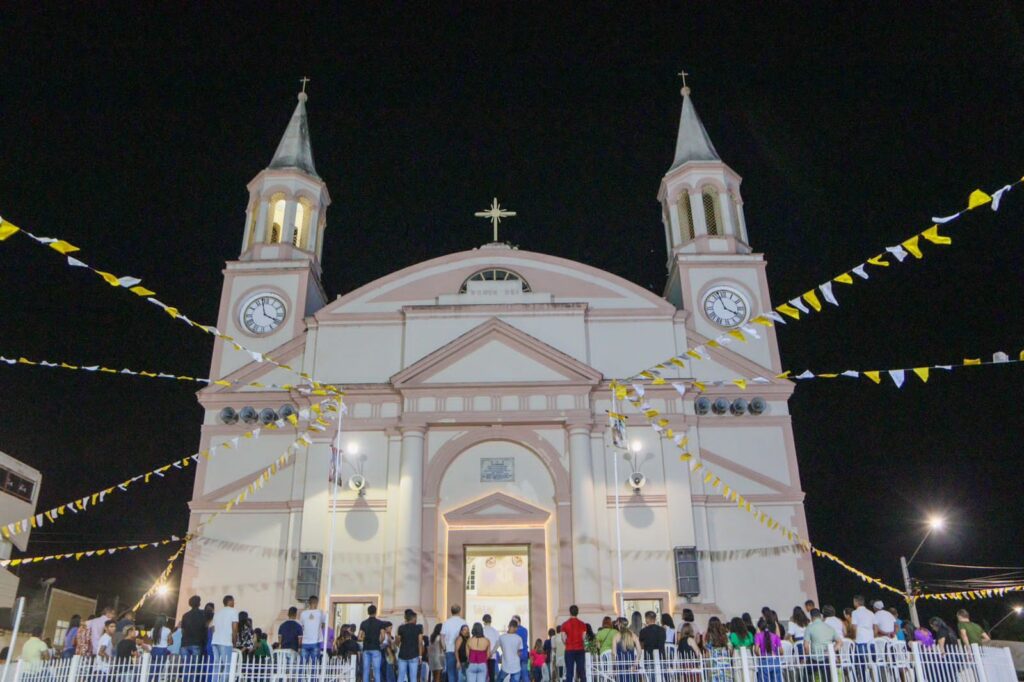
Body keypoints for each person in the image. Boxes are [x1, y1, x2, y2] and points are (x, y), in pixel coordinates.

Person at [804, 609, 840, 678]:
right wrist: (831, 651)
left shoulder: (809, 628)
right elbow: (840, 642)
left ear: (811, 617)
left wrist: (807, 656)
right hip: (828, 658)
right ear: (820, 616)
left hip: (815, 658)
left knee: (806, 674)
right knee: (828, 677)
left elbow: (806, 646)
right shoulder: (829, 627)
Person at [211, 595, 240, 677]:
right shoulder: (233, 611)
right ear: (230, 601)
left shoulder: (217, 613)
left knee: (216, 666)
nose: (234, 603)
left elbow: (213, 628)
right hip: (225, 642)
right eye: (233, 601)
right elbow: (235, 629)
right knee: (227, 666)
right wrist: (234, 642)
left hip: (215, 641)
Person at [360, 605, 388, 682]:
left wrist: (364, 639)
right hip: (376, 648)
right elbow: (383, 636)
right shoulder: (380, 623)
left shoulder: (363, 623)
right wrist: (379, 642)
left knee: (366, 670)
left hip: (366, 648)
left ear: (368, 612)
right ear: (376, 612)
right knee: (377, 670)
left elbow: (359, 637)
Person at [441, 606, 469, 682]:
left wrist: (444, 649)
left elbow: (442, 637)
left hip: (449, 650)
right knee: (461, 675)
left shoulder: (446, 622)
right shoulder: (463, 622)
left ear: (451, 611)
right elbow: (467, 637)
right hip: (461, 652)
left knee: (451, 674)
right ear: (459, 611)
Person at [396, 611, 425, 682]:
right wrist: (420, 656)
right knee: (413, 678)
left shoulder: (401, 628)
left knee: (401, 677)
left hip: (402, 655)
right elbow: (420, 643)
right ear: (414, 618)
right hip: (414, 655)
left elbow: (397, 642)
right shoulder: (418, 628)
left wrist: (399, 644)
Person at [561, 606, 586, 682]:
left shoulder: (564, 624)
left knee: (569, 671)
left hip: (569, 650)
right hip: (580, 649)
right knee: (581, 670)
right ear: (577, 612)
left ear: (570, 612)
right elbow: (583, 638)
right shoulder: (583, 624)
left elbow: (563, 638)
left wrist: (567, 643)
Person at [300, 596, 326, 664]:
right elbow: (323, 625)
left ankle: (302, 674)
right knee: (315, 664)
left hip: (305, 641)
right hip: (316, 641)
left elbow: (302, 626)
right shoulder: (320, 613)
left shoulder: (303, 613)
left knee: (303, 663)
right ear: (317, 603)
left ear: (309, 602)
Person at [705, 618, 732, 682]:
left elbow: (708, 651)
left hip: (714, 660)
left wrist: (707, 662)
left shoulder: (709, 636)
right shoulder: (725, 635)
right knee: (726, 677)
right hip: (725, 659)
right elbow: (730, 648)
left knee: (716, 678)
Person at [482, 615, 500, 682]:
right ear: (491, 621)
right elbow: (498, 643)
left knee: (483, 675)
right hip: (492, 656)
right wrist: (492, 652)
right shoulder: (495, 631)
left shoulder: (482, 630)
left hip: (483, 656)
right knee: (492, 675)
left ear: (483, 621)